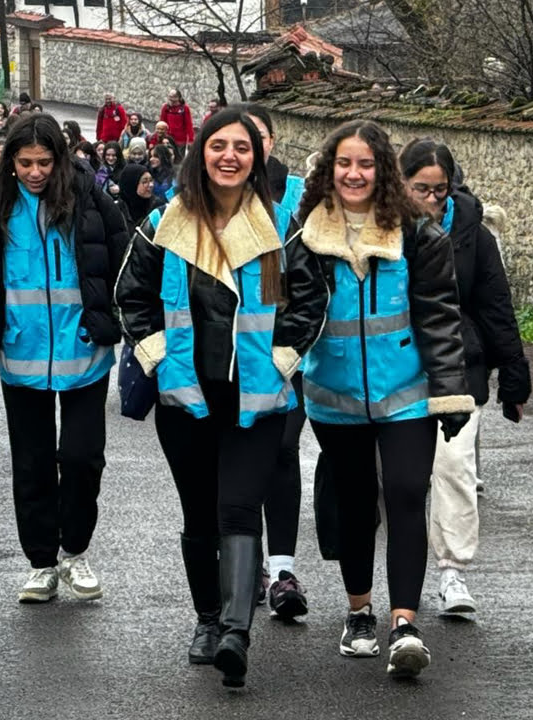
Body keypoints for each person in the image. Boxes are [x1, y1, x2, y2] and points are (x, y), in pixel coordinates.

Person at [114, 107, 328, 687]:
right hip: (185, 396)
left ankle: (236, 633)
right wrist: (157, 358)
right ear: (200, 153)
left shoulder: (278, 229)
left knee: (238, 507)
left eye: (241, 147)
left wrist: (284, 359)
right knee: (199, 515)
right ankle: (207, 621)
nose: (229, 156)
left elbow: (305, 302)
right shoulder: (165, 221)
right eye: (218, 146)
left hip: (255, 398)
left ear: (256, 158)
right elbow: (132, 296)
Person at [297, 119, 474, 679]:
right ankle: (359, 612)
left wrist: (450, 395)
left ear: (383, 172)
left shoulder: (418, 233)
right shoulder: (305, 234)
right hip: (335, 395)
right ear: (331, 169)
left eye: (366, 164)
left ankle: (404, 624)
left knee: (404, 492)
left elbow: (440, 319)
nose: (355, 173)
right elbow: (287, 314)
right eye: (345, 163)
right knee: (355, 502)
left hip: (406, 393)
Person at [0, 112, 129, 605]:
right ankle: (43, 563)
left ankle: (75, 551)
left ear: (60, 159)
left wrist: (124, 325)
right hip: (21, 358)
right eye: (24, 162)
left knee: (82, 458)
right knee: (31, 465)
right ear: (10, 162)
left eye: (44, 161)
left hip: (84, 353)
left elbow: (128, 258)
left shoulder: (89, 199)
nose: (34, 172)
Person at [399, 138, 530, 617]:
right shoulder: (383, 228)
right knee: (406, 482)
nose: (433, 201)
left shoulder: (475, 234)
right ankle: (395, 586)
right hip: (395, 366)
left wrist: (514, 374)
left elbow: (497, 306)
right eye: (421, 190)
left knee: (455, 468)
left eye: (440, 191)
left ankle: (452, 571)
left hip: (460, 364)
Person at [241, 104, 311, 616]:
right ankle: (248, 566)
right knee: (243, 461)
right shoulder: (207, 196)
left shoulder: (295, 197)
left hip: (284, 354)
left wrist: (285, 345)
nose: (249, 145)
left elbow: (295, 285)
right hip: (230, 358)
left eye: (258, 136)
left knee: (283, 450)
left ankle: (282, 570)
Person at [114, 164, 162, 235]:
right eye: (145, 182)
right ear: (132, 184)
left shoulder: (157, 206)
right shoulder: (117, 209)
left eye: (151, 180)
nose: (151, 185)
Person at [160, 88, 195, 154]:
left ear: (178, 98)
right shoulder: (165, 107)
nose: (170, 99)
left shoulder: (184, 108)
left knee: (179, 159)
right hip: (168, 138)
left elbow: (189, 125)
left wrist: (191, 140)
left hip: (181, 140)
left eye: (172, 97)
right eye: (169, 96)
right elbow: (162, 122)